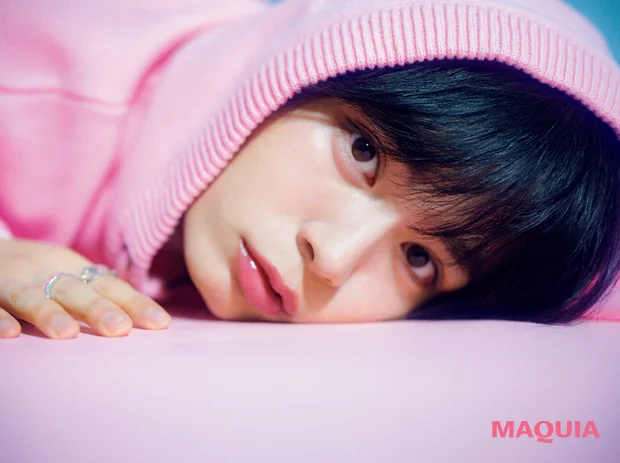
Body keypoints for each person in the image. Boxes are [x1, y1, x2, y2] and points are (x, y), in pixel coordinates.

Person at [0, 0, 619, 339]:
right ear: (294, 74)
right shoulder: (49, 72)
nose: (333, 257)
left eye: (420, 259)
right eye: (364, 152)